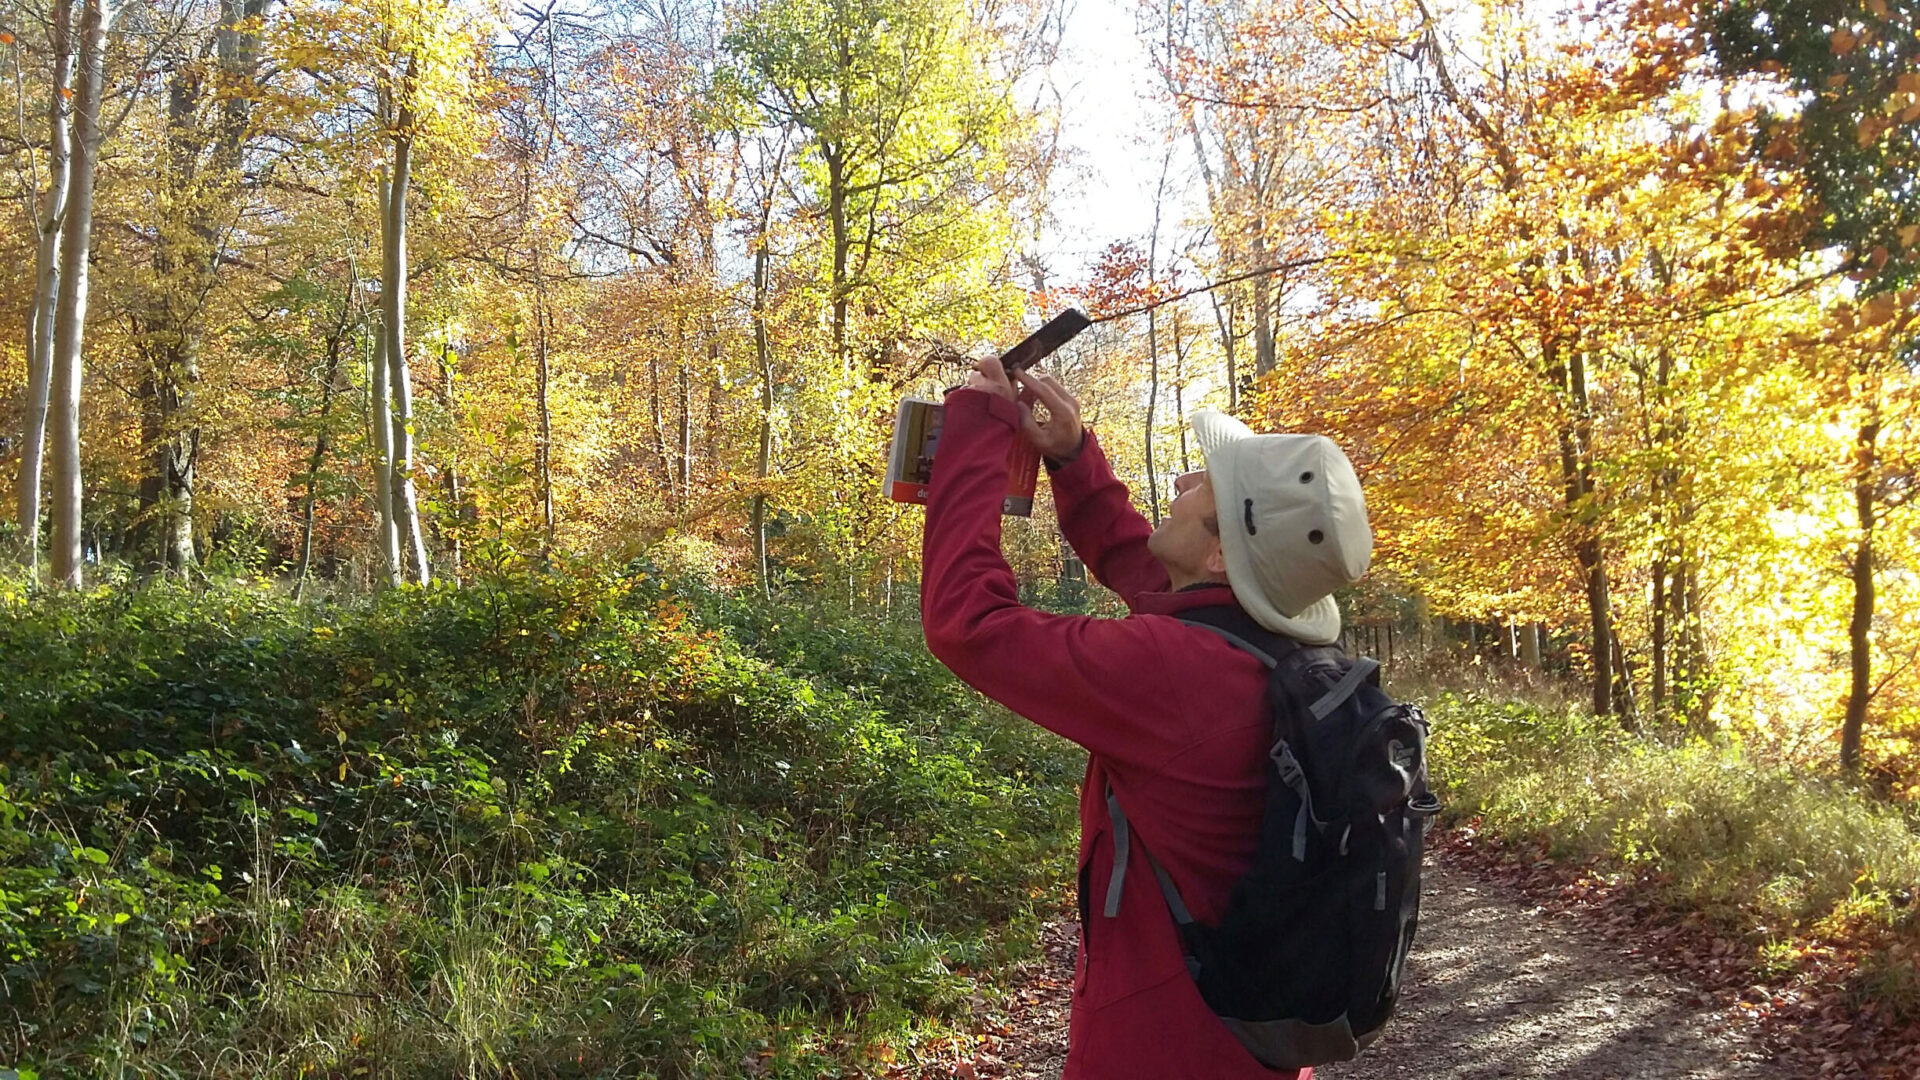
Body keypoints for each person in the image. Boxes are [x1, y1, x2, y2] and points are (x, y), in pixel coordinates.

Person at [919, 356, 1372, 1080]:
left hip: (1154, 1047)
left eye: (1208, 482)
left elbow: (967, 622)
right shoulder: (1275, 649)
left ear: (1221, 551)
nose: (1185, 480)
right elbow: (1163, 579)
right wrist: (1073, 460)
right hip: (1243, 1042)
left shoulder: (1175, 673)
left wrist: (975, 433)